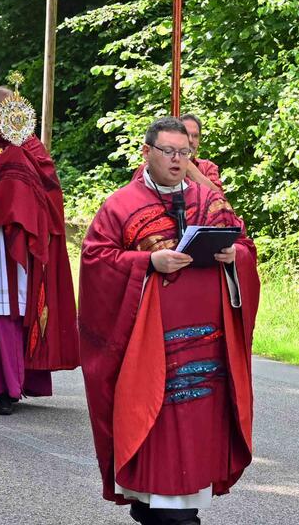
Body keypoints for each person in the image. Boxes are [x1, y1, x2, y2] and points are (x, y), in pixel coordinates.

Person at [79, 116, 260, 525]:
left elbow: (244, 246)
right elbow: (95, 260)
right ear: (146, 153)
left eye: (185, 152)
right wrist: (147, 262)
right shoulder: (120, 205)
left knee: (196, 426)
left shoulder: (209, 201)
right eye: (169, 152)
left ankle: (177, 507)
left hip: (207, 344)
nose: (178, 160)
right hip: (151, 348)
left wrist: (235, 258)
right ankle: (160, 506)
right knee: (157, 422)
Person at [0, 87, 79, 416]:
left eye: (13, 109)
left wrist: (22, 182)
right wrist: (9, 172)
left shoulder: (32, 147)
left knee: (21, 308)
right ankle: (1, 387)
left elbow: (50, 192)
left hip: (25, 244)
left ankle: (20, 380)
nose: (6, 117)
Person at [179, 113, 223, 191]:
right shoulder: (163, 164)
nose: (190, 140)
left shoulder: (207, 167)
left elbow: (219, 200)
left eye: (195, 136)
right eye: (185, 134)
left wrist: (188, 166)